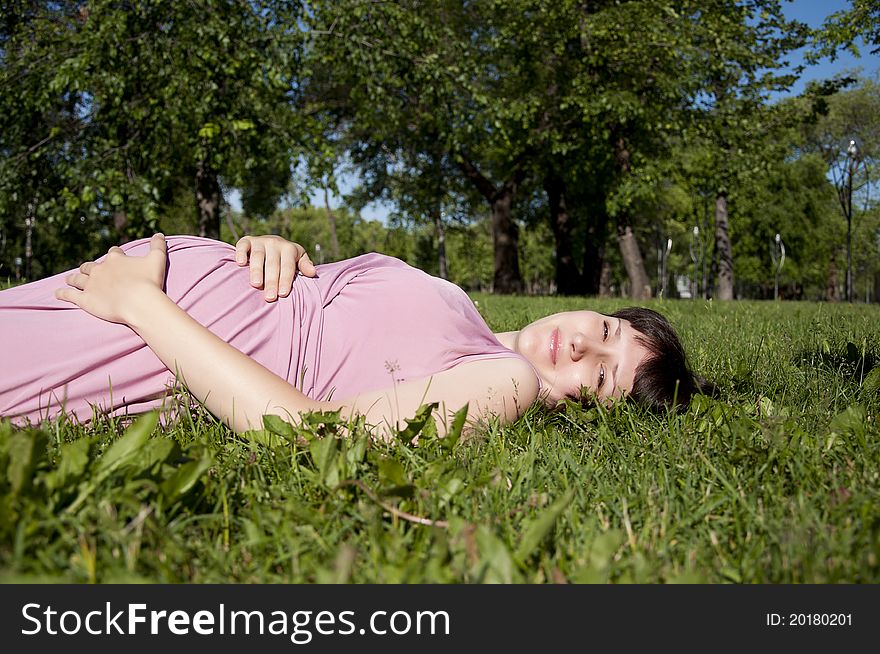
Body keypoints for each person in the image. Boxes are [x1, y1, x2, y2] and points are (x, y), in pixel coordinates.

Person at [0, 234, 706, 439]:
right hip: (105, 292)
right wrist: (273, 247)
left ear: (592, 409)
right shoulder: (456, 300)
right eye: (608, 330)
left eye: (606, 375)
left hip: (131, 337)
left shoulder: (506, 382)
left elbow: (309, 433)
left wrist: (143, 304)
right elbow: (328, 301)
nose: (585, 346)